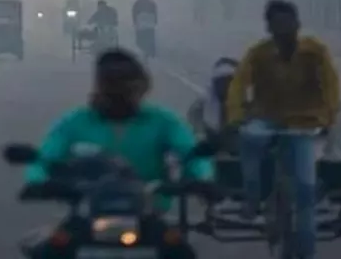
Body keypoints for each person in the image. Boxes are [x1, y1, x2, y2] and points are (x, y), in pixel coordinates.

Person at [24, 49, 214, 210]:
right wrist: (38, 181)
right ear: (99, 88)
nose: (119, 94)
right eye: (112, 87)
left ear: (141, 88)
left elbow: (192, 154)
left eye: (127, 88)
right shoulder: (75, 122)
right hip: (88, 210)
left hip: (148, 210)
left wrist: (204, 179)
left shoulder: (163, 121)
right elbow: (45, 157)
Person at [225, 0, 341, 259]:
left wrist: (329, 117)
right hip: (266, 119)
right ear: (269, 28)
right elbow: (237, 84)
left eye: (289, 24)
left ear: (298, 24)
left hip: (306, 122)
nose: (286, 30)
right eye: (279, 25)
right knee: (248, 139)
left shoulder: (316, 52)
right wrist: (236, 116)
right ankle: (253, 196)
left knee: (305, 191)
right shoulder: (258, 53)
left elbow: (331, 86)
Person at [186, 57, 240, 151]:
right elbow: (195, 129)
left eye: (230, 81)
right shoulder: (199, 106)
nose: (225, 85)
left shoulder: (246, 105)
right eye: (221, 81)